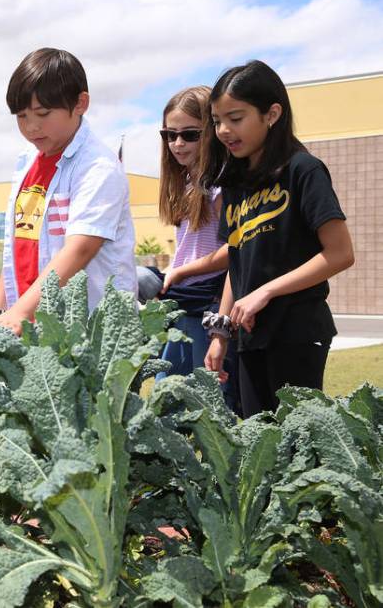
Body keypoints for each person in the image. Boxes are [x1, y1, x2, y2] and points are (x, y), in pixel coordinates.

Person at [203, 60, 354, 417]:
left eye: (235, 118)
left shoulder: (304, 170)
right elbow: (237, 263)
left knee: (296, 447)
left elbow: (340, 254)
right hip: (249, 336)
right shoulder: (235, 182)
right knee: (260, 444)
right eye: (216, 120)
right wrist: (222, 330)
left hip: (297, 331)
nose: (224, 130)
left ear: (272, 114)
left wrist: (266, 291)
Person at [0, 48, 136, 333]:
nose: (31, 127)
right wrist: (0, 309)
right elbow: (17, 243)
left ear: (81, 103)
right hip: (30, 322)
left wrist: (19, 311)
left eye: (43, 113)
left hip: (91, 331)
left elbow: (80, 249)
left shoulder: (98, 167)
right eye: (21, 116)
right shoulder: (27, 164)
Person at [136, 86, 240, 413]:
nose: (178, 143)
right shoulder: (184, 182)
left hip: (208, 304)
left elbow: (236, 251)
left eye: (190, 134)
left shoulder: (222, 183)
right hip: (180, 302)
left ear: (210, 132)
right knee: (168, 401)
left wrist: (180, 271)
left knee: (210, 409)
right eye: (170, 134)